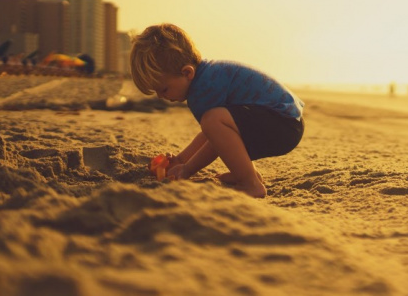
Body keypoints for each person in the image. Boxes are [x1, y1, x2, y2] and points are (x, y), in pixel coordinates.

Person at [129, 23, 305, 198]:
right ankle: (247, 175)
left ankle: (250, 184)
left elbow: (214, 138)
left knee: (214, 121)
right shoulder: (208, 76)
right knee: (217, 123)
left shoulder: (203, 89)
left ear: (187, 73)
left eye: (164, 89)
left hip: (282, 125)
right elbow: (213, 134)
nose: (160, 96)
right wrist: (181, 159)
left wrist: (187, 169)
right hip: (287, 122)